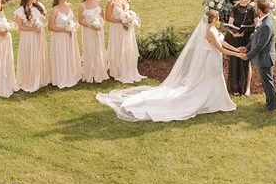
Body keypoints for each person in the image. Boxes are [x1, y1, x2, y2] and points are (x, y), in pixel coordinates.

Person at [97, 10, 245, 122]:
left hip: (215, 59)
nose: (219, 19)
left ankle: (218, 102)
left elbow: (223, 42)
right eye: (218, 17)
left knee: (216, 79)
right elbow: (220, 49)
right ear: (214, 19)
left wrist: (236, 49)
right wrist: (238, 55)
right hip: (213, 59)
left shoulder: (213, 29)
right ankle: (215, 102)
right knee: (212, 80)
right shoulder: (209, 32)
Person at [105, 0, 143, 85]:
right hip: (117, 29)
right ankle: (119, 71)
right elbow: (108, 18)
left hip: (128, 29)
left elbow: (130, 12)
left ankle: (130, 69)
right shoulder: (111, 1)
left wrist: (130, 20)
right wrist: (121, 22)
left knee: (128, 48)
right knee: (119, 47)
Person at [15, 0, 52, 93]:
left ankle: (42, 78)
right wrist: (32, 28)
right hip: (28, 37)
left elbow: (43, 19)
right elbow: (19, 26)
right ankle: (30, 79)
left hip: (39, 35)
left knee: (40, 54)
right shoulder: (21, 11)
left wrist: (39, 24)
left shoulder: (39, 7)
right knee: (31, 54)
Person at [246, 0, 276, 112]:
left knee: (268, 84)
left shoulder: (266, 25)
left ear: (259, 10)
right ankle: (270, 104)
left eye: (256, 7)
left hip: (265, 59)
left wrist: (248, 55)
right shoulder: (264, 20)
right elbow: (256, 38)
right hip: (264, 58)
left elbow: (260, 45)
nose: (255, 9)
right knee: (267, 83)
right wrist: (246, 47)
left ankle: (272, 108)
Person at [48, 0, 83, 89]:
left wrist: (73, 26)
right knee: (62, 55)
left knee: (70, 54)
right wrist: (64, 30)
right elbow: (50, 27)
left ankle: (72, 74)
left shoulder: (70, 6)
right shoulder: (55, 10)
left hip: (70, 36)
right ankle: (62, 77)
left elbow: (73, 19)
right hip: (60, 37)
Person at [225, 0, 255, 96]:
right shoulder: (234, 8)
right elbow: (230, 24)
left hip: (246, 39)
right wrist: (234, 33)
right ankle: (235, 87)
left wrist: (246, 30)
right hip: (235, 38)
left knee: (246, 62)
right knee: (234, 61)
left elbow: (256, 25)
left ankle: (247, 88)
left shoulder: (252, 10)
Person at [78, 0, 108, 85]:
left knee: (99, 48)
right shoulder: (82, 5)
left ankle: (100, 71)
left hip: (99, 29)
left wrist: (100, 23)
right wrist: (91, 25)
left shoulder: (98, 2)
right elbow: (80, 21)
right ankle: (90, 72)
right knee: (89, 49)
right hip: (88, 31)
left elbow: (102, 15)